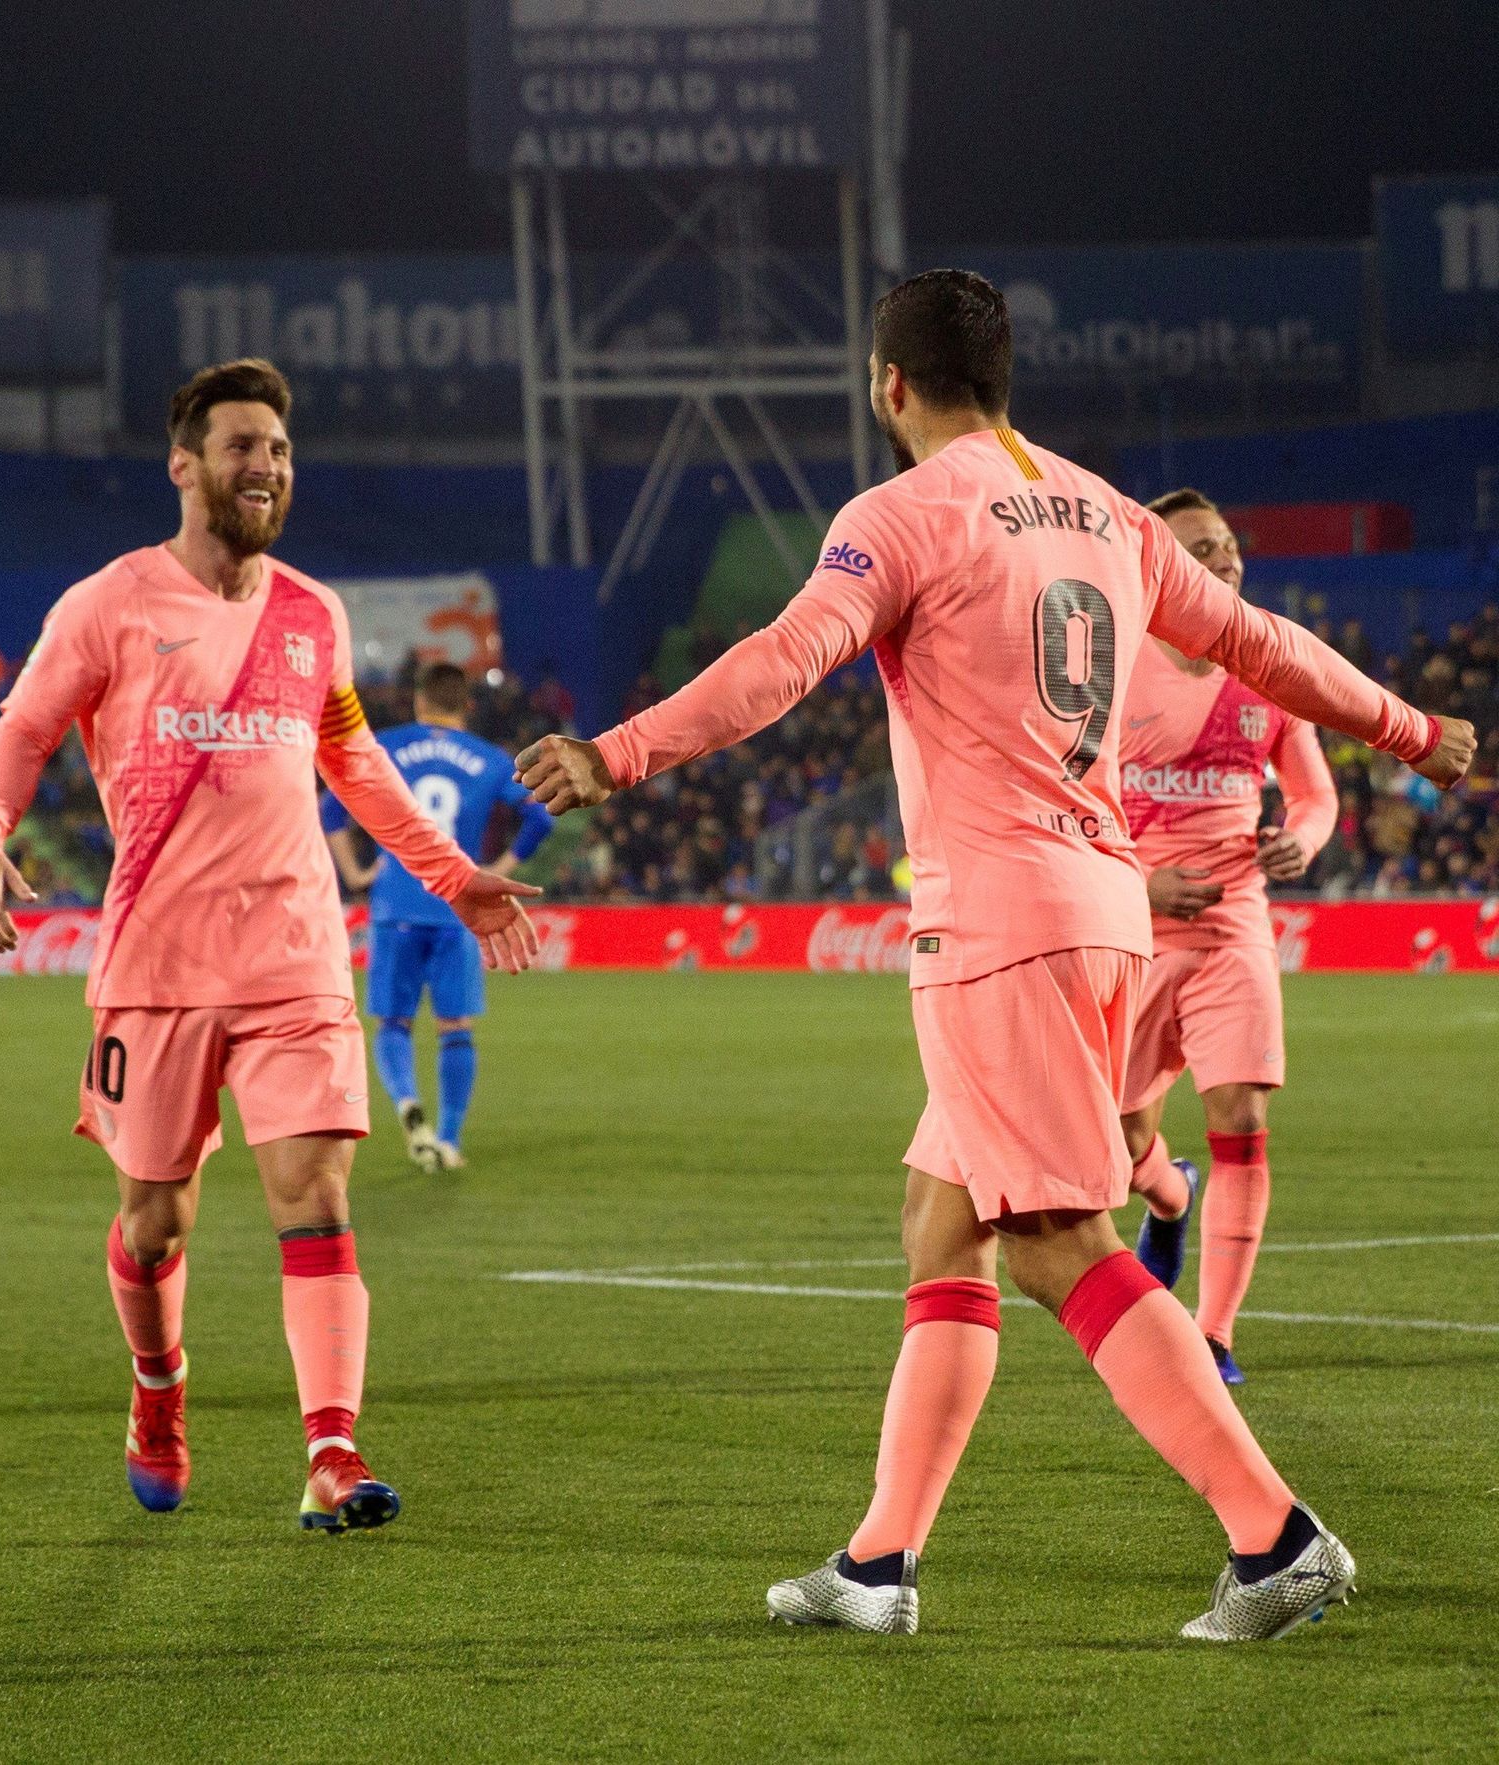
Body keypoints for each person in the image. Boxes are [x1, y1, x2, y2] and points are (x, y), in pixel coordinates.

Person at [516, 270, 1474, 1642]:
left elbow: (786, 658)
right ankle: (879, 1562)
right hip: (1100, 905)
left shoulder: (903, 513)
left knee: (1053, 1241)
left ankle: (1273, 1538)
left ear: (888, 383)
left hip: (1001, 921)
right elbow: (1260, 645)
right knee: (941, 1217)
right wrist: (1405, 728)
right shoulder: (1107, 510)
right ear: (1002, 376)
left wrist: (619, 751)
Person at [0, 359, 540, 1533]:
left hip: (295, 955)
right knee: (154, 1222)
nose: (265, 465)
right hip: (158, 964)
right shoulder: (108, 603)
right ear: (184, 466)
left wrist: (454, 875)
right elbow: (25, 727)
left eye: (277, 448)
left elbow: (355, 765)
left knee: (314, 1196)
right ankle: (158, 1387)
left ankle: (332, 1453)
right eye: (240, 447)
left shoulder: (313, 614)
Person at [1118, 489, 1339, 1384]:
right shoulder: (1108, 666)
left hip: (1234, 923)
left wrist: (1303, 839)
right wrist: (1141, 884)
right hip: (1129, 931)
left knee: (1242, 1117)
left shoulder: (1269, 663)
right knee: (1114, 1145)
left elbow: (1315, 794)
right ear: (1159, 570)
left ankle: (1212, 1334)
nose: (1224, 562)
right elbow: (1058, 807)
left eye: (1227, 546)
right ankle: (1168, 1196)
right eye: (1200, 550)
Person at [321, 660, 554, 1172]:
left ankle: (408, 1104)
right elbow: (540, 815)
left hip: (395, 903)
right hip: (458, 907)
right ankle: (448, 1137)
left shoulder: (386, 747)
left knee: (393, 1022)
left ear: (419, 701)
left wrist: (356, 873)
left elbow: (330, 810)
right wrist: (499, 869)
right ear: (467, 705)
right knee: (455, 1025)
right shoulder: (489, 758)